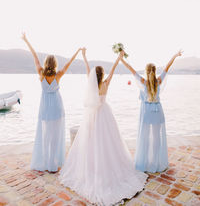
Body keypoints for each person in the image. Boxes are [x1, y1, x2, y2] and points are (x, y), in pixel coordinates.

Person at [59, 48, 147, 206]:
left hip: (93, 117)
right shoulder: (106, 83)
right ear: (102, 75)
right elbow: (113, 70)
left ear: (94, 75)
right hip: (105, 115)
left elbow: (87, 70)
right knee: (109, 143)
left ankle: (93, 170)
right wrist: (119, 58)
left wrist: (85, 57)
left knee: (92, 143)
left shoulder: (92, 85)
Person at [22, 32, 82, 172]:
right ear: (54, 64)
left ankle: (46, 163)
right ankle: (52, 166)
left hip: (45, 109)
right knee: (55, 137)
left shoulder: (41, 73)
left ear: (45, 64)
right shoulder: (58, 75)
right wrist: (77, 51)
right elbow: (69, 63)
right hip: (56, 108)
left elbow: (35, 56)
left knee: (45, 137)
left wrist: (26, 40)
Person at [121, 50, 183, 173]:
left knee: (144, 137)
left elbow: (130, 69)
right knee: (156, 138)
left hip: (146, 112)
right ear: (154, 71)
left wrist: (121, 58)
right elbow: (167, 66)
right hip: (157, 111)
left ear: (146, 71)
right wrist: (175, 55)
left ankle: (144, 161)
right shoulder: (158, 81)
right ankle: (155, 162)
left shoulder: (143, 82)